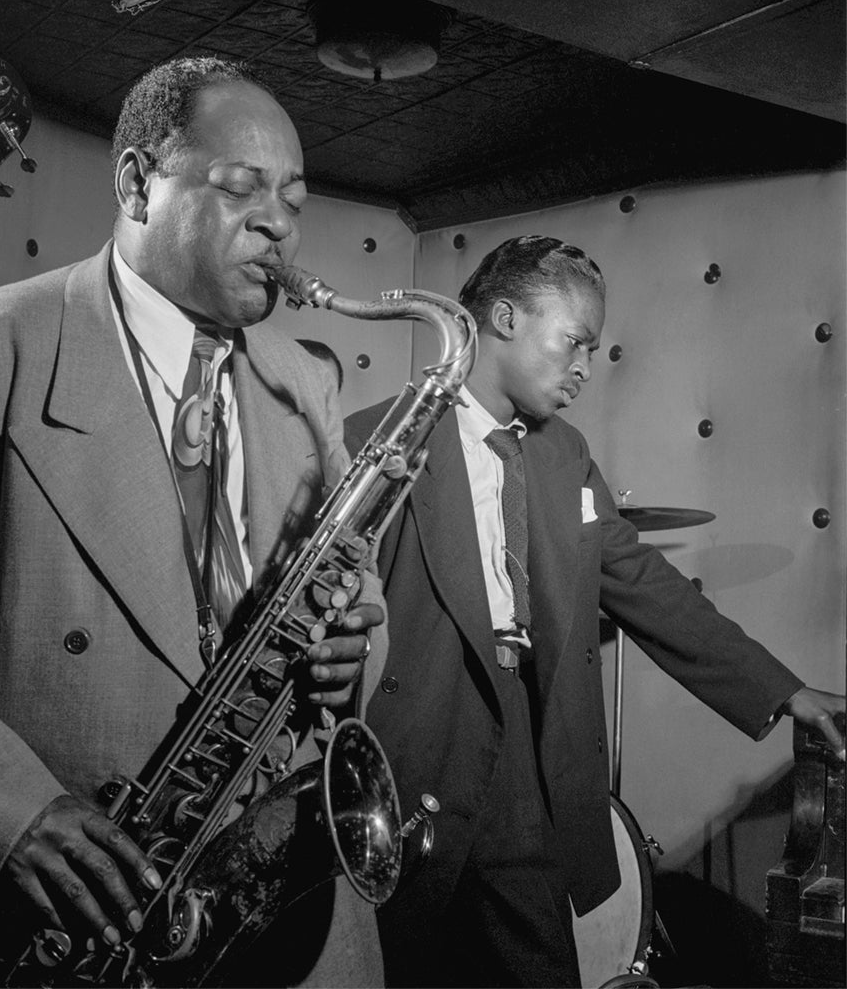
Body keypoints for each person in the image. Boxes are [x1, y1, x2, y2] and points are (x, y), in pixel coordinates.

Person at [344, 234, 846, 989]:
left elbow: (646, 584)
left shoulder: (564, 452)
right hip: (412, 749)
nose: (586, 367)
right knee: (398, 963)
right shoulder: (373, 437)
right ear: (505, 318)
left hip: (535, 753)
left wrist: (783, 690)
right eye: (575, 341)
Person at [0, 56, 388, 987]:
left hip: (294, 911)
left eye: (293, 195)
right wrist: (9, 813)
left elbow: (356, 594)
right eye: (241, 186)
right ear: (136, 183)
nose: (279, 221)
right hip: (91, 919)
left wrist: (354, 650)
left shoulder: (305, 378)